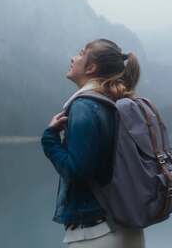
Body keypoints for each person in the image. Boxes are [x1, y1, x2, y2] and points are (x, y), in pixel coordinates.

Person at [41, 39, 146, 247]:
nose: (73, 58)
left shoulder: (85, 106)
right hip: (130, 229)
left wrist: (50, 139)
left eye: (80, 54)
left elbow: (77, 172)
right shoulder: (118, 102)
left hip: (96, 234)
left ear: (91, 68)